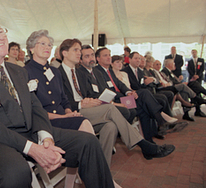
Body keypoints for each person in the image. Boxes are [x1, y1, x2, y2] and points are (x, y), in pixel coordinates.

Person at [0, 18, 117, 188]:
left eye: (1, 32)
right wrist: (32, 148)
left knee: (88, 142)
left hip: (29, 132)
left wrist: (46, 137)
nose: (0, 37)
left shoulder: (18, 71)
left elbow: (35, 107)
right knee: (15, 173)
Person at [58, 38, 175, 166]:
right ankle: (145, 145)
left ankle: (102, 171)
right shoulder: (58, 73)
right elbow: (60, 102)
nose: (79, 53)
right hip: (75, 112)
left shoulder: (79, 73)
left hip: (92, 108)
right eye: (76, 50)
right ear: (64, 53)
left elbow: (90, 94)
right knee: (114, 108)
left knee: (111, 126)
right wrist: (81, 104)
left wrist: (91, 101)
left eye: (80, 50)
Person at [24, 30, 100, 188]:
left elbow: (64, 99)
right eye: (42, 44)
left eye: (50, 45)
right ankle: (100, 180)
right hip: (44, 122)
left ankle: (71, 187)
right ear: (31, 48)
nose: (47, 47)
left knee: (82, 128)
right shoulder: (25, 72)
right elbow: (32, 110)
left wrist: (68, 113)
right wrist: (63, 116)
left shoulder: (54, 71)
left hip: (61, 117)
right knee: (84, 125)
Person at [94, 48, 178, 142]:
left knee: (144, 107)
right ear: (98, 58)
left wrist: (129, 92)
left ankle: (148, 140)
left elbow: (120, 84)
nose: (108, 57)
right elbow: (107, 90)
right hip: (116, 100)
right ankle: (160, 117)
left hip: (123, 97)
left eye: (109, 55)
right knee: (144, 93)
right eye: (105, 55)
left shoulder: (109, 70)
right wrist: (125, 96)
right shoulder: (97, 71)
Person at [79, 45, 137, 124]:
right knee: (125, 111)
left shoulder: (97, 72)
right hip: (94, 104)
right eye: (87, 56)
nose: (91, 58)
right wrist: (114, 104)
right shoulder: (80, 73)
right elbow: (91, 94)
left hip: (107, 100)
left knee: (134, 109)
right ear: (80, 60)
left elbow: (105, 89)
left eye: (92, 55)